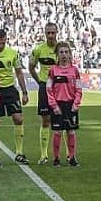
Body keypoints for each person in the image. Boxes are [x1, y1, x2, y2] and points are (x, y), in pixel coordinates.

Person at [0, 28, 30, 165]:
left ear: (5, 40)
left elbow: (19, 72)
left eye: (3, 42)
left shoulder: (12, 53)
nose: (0, 45)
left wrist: (25, 92)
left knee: (18, 118)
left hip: (10, 90)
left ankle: (19, 153)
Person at [46, 42, 83, 167]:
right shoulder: (53, 70)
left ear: (70, 54)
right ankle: (56, 158)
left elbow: (79, 89)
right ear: (57, 54)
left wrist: (76, 103)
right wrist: (54, 105)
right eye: (61, 52)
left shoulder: (74, 70)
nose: (64, 55)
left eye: (66, 52)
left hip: (71, 104)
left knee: (71, 131)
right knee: (57, 132)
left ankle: (72, 157)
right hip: (58, 105)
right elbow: (49, 90)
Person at [29, 23, 61, 165]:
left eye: (53, 33)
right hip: (44, 86)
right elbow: (31, 66)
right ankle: (44, 155)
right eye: (48, 33)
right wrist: (40, 82)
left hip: (59, 86)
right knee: (46, 120)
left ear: (56, 33)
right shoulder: (38, 50)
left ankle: (61, 155)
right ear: (45, 33)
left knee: (61, 120)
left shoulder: (62, 49)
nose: (50, 36)